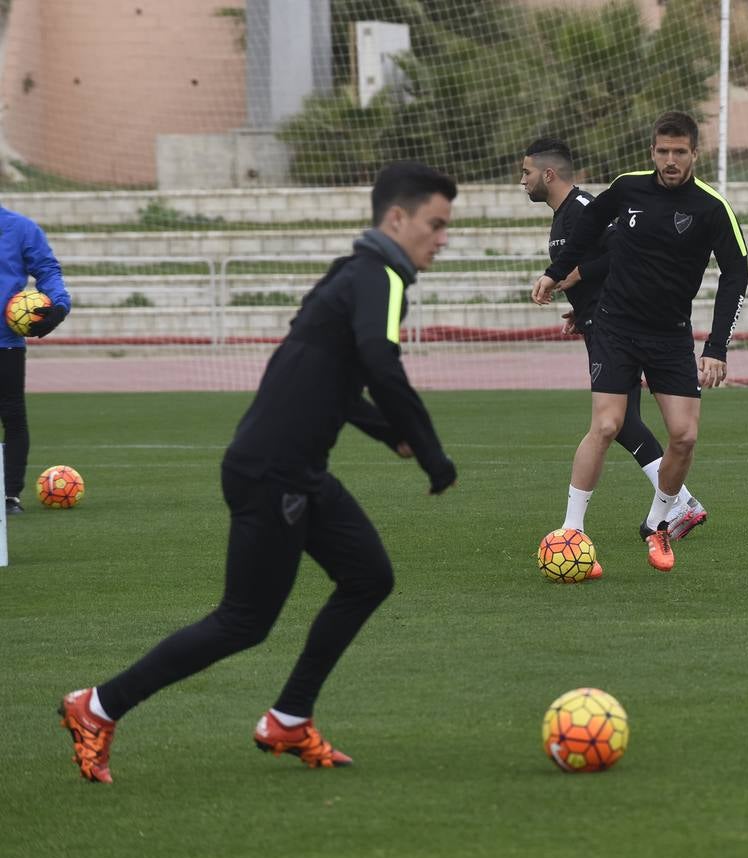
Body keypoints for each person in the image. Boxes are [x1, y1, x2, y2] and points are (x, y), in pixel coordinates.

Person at [59, 162, 460, 783]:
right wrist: (433, 454)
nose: (442, 238)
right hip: (273, 474)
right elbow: (380, 366)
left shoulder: (350, 276)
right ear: (397, 219)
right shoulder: (378, 276)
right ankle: (98, 706)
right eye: (435, 224)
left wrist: (393, 435)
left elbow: (334, 383)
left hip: (295, 471)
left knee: (368, 577)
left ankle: (289, 718)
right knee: (243, 621)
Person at [531, 111, 747, 573]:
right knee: (608, 425)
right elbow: (588, 229)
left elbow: (736, 274)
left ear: (694, 154)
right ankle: (571, 530)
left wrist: (716, 347)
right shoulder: (628, 188)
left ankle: (656, 525)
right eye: (663, 151)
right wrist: (554, 274)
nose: (671, 160)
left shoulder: (712, 207)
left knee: (685, 437)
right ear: (652, 151)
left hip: (670, 336)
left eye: (680, 152)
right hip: (615, 327)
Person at [0, 205, 73, 515]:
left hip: (6, 343)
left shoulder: (20, 228)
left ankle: (8, 496)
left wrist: (58, 307)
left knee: (12, 416)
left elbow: (47, 270)